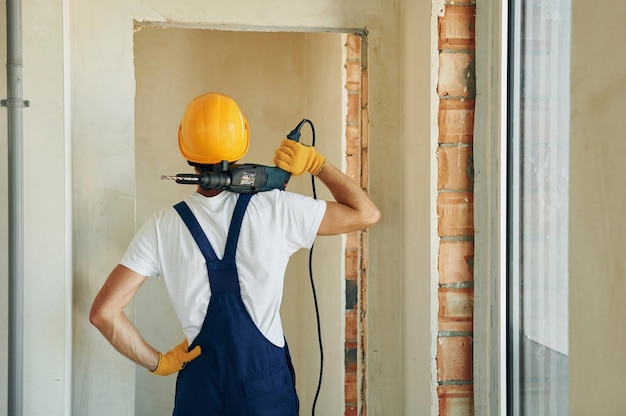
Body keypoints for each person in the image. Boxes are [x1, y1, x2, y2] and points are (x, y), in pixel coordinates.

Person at [89, 92, 380, 415]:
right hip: (264, 390)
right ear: (243, 140)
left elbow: (104, 314)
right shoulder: (276, 209)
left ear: (184, 146)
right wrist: (317, 164)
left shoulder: (162, 227)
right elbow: (365, 213)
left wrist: (158, 362)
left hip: (200, 392)